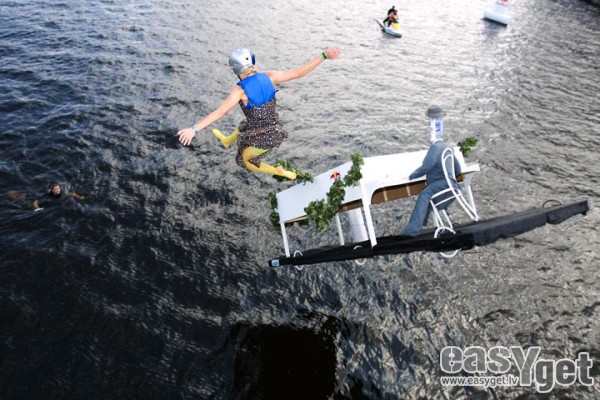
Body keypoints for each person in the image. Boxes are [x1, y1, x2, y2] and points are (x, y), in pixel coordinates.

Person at [177, 47, 342, 180]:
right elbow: (299, 72)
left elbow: (220, 112)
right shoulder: (269, 76)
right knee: (246, 124)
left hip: (267, 137)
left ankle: (280, 172)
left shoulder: (240, 90)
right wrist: (323, 55)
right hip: (272, 126)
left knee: (244, 160)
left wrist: (194, 129)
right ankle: (227, 141)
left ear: (236, 69)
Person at [400, 106, 462, 237]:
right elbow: (458, 170)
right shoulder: (448, 147)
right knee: (428, 192)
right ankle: (420, 223)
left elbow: (426, 166)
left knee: (425, 194)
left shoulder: (435, 147)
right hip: (453, 186)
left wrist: (412, 176)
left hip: (442, 185)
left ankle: (413, 229)